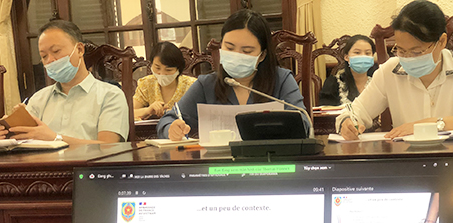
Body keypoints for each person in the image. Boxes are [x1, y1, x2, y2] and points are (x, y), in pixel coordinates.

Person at [336, 0, 453, 141]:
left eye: (416, 52)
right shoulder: (390, 70)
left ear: (441, 42)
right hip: (409, 160)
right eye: (401, 50)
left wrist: (432, 124)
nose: (408, 58)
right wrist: (347, 122)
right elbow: (354, 112)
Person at [157, 9, 310, 141]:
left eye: (247, 51)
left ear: (262, 55)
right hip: (218, 163)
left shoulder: (281, 80)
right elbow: (168, 119)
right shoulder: (206, 85)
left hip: (270, 160)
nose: (237, 55)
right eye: (229, 48)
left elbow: (303, 122)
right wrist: (172, 128)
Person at [0, 20, 129, 144]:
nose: (50, 60)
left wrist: (55, 138)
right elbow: (23, 142)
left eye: (56, 51)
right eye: (44, 56)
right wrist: (5, 132)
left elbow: (109, 147)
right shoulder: (39, 99)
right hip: (41, 163)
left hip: (88, 164)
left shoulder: (110, 95)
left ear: (79, 50)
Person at [133, 42, 196, 120]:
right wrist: (148, 110)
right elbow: (130, 113)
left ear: (178, 69)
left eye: (168, 70)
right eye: (157, 68)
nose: (162, 74)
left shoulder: (192, 85)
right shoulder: (146, 83)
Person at [319, 34, 378, 106]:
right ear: (346, 57)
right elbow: (325, 109)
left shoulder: (378, 82)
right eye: (357, 52)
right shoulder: (333, 83)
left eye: (367, 53)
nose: (363, 56)